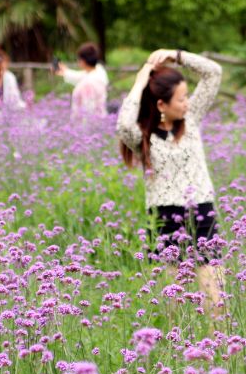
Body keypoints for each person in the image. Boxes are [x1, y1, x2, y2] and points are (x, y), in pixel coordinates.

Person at [116, 49, 226, 318]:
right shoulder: (143, 137)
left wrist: (176, 55)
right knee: (174, 306)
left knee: (216, 298)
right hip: (164, 217)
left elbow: (214, 73)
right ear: (161, 105)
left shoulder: (192, 119)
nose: (187, 102)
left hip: (202, 211)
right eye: (180, 99)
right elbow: (122, 124)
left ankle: (220, 353)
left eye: (187, 96)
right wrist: (141, 80)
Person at [57, 42, 109, 118]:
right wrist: (65, 72)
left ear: (83, 61)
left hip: (89, 124)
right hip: (100, 119)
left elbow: (88, 110)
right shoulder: (99, 72)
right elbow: (81, 76)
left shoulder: (88, 83)